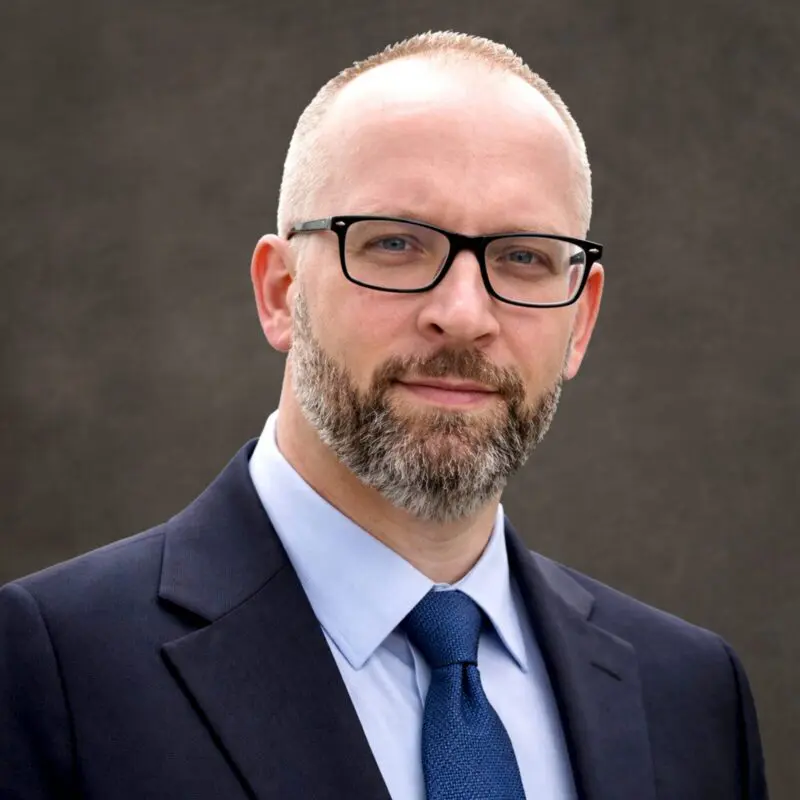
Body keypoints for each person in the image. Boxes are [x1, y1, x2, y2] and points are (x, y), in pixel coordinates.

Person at [0, 31, 767, 800]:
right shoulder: (48, 668)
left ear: (583, 319)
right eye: (395, 243)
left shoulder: (691, 695)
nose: (464, 315)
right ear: (280, 292)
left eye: (524, 257)